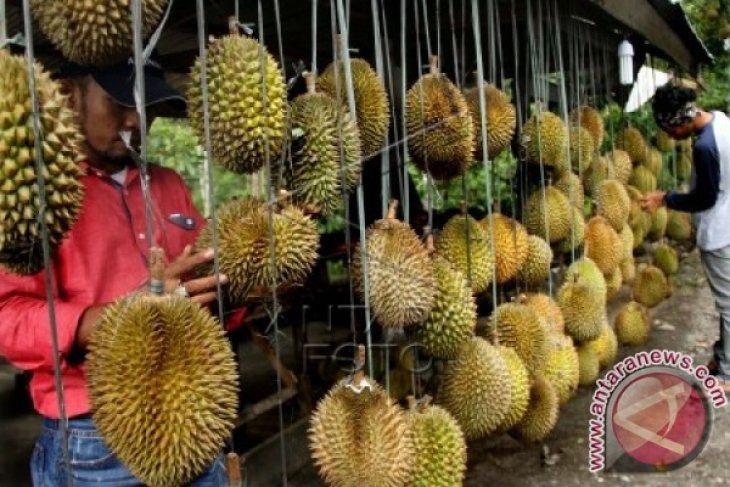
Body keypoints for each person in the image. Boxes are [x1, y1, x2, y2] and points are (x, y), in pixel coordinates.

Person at [0, 57, 232, 485]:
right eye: (120, 103)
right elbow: (7, 317)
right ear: (70, 97)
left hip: (197, 415)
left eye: (149, 105)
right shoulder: (34, 196)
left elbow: (204, 290)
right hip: (98, 437)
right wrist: (120, 315)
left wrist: (236, 285)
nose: (137, 120)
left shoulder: (169, 183)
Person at [641, 83, 730, 392]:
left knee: (728, 303)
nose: (670, 136)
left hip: (720, 231)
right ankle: (723, 356)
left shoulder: (704, 148)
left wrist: (665, 198)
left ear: (680, 121)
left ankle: (728, 373)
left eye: (669, 129)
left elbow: (704, 198)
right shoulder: (720, 121)